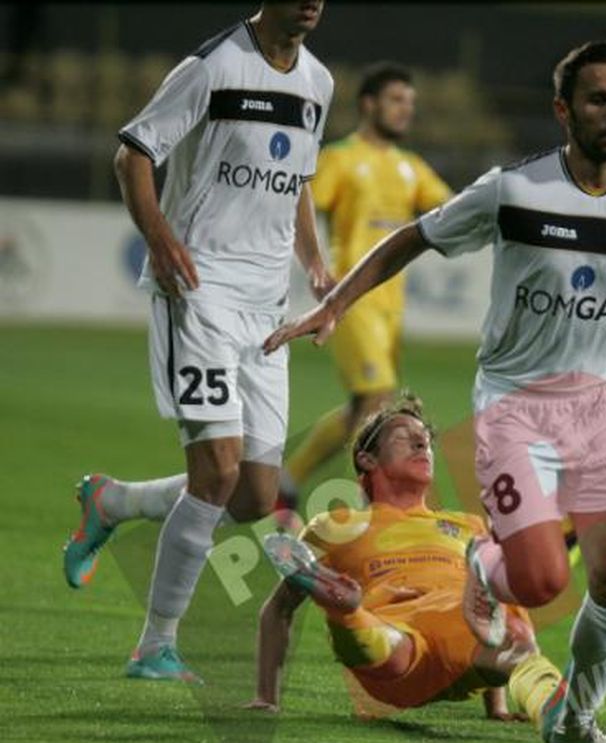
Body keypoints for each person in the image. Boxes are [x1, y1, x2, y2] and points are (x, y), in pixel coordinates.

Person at [263, 37, 606, 743]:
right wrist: (334, 303)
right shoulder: (514, 190)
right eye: (598, 100)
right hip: (516, 405)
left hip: (603, 409)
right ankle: (484, 564)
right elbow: (415, 237)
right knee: (538, 583)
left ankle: (576, 719)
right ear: (564, 109)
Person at [61, 1, 335, 682]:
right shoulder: (212, 66)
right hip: (201, 290)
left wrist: (315, 264)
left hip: (267, 307)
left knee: (253, 495)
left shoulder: (319, 82)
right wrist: (160, 239)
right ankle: (154, 645)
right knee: (216, 472)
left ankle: (113, 502)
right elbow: (132, 156)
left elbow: (298, 181)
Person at [248, 394, 563, 726]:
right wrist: (266, 698)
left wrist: (496, 708)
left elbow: (489, 602)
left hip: (467, 635)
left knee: (516, 642)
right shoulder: (336, 526)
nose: (421, 445)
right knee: (384, 642)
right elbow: (278, 609)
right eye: (404, 438)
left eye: (424, 441)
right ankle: (346, 612)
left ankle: (561, 720)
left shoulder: (469, 526)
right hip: (398, 634)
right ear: (367, 459)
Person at [280, 62, 452, 503]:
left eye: (410, 103)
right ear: (368, 104)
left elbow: (452, 209)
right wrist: (317, 267)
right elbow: (301, 208)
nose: (405, 110)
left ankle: (286, 483)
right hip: (353, 298)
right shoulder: (341, 158)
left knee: (362, 407)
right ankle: (377, 508)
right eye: (396, 100)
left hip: (391, 304)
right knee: (378, 398)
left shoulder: (411, 167)